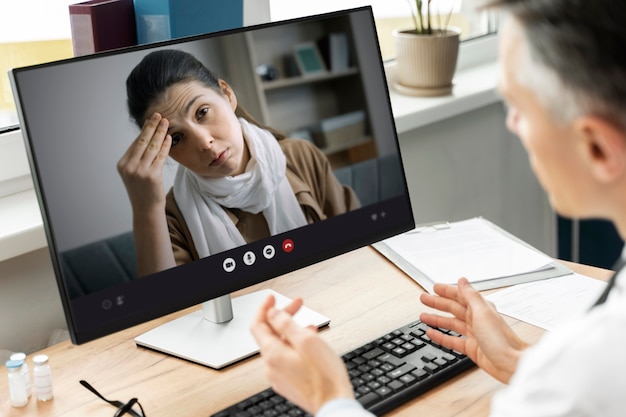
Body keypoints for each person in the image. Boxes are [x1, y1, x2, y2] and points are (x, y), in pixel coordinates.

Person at [250, 1, 626, 416]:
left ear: (596, 147)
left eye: (519, 107)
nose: (512, 125)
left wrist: (329, 398)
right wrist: (520, 362)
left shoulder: (595, 366)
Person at [117, 49, 360, 277]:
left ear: (227, 94)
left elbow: (362, 244)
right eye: (177, 138)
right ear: (164, 149)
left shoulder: (300, 157)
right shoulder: (171, 217)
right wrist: (146, 209)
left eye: (202, 112)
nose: (205, 142)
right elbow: (167, 312)